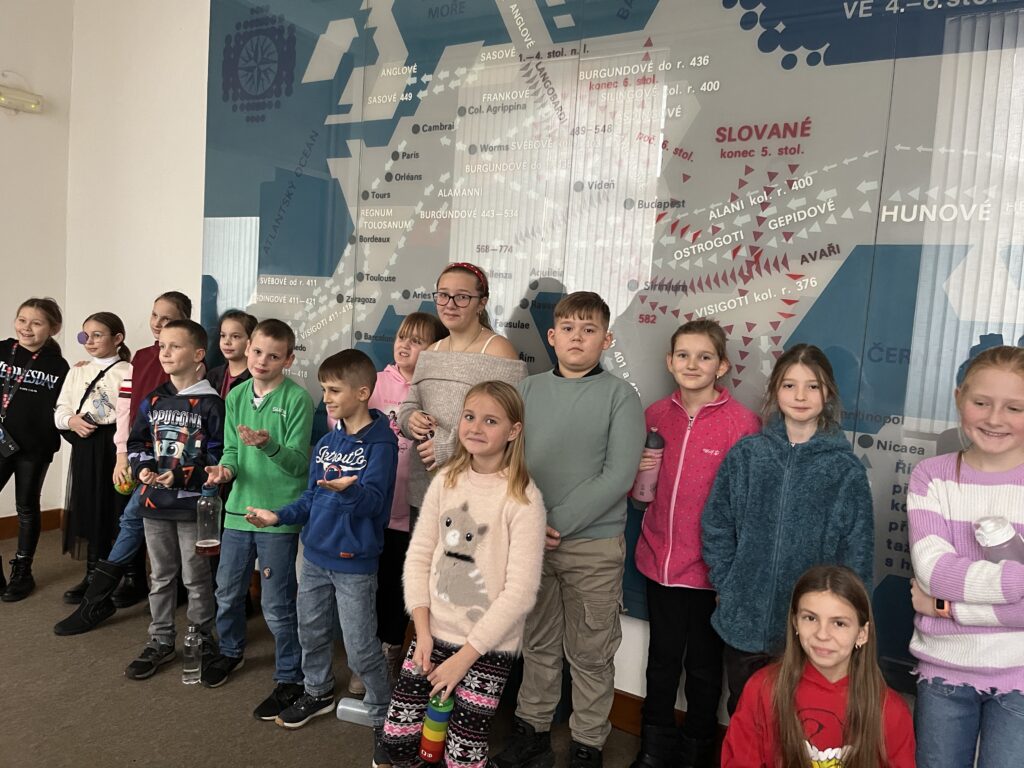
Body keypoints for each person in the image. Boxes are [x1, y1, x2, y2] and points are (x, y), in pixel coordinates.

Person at [494, 291, 646, 768]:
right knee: (538, 644)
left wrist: (551, 522)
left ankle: (588, 743)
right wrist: (528, 523)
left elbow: (618, 476)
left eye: (589, 329)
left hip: (592, 548)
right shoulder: (529, 391)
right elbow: (508, 460)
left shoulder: (621, 397)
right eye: (568, 329)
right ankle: (532, 732)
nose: (578, 337)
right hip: (533, 545)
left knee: (591, 652)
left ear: (606, 339)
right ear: (552, 336)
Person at [379, 381, 546, 768]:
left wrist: (464, 658)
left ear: (513, 431)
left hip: (486, 646)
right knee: (398, 742)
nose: (476, 427)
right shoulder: (446, 480)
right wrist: (421, 632)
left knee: (461, 756)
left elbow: (520, 593)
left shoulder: (524, 497)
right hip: (432, 635)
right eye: (470, 416)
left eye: (491, 421)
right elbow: (419, 556)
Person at [702, 344, 874, 715]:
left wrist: (840, 618)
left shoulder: (845, 471)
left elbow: (857, 553)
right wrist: (728, 584)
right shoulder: (748, 455)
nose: (800, 396)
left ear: (827, 394)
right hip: (745, 621)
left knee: (799, 721)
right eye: (789, 385)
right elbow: (717, 524)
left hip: (811, 632)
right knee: (745, 712)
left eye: (812, 386)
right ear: (775, 391)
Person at [630, 319, 760, 768]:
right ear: (669, 362)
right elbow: (638, 489)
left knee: (704, 669)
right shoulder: (655, 415)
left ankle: (698, 748)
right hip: (659, 564)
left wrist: (732, 572)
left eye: (704, 357)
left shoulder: (742, 424)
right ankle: (654, 746)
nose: (692, 364)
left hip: (711, 573)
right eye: (683, 355)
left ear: (721, 366)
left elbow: (748, 505)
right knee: (662, 661)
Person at [246, 348, 396, 733]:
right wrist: (278, 515)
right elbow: (311, 497)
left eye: (333, 390)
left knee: (360, 646)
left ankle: (385, 710)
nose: (325, 398)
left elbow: (375, 504)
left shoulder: (381, 445)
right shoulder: (328, 442)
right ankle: (318, 691)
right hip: (314, 557)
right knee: (310, 632)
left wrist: (350, 491)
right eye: (324, 389)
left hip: (354, 564)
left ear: (362, 393)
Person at [908, 345, 1024, 767]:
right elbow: (934, 572)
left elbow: (938, 591)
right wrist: (1018, 581)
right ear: (959, 398)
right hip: (944, 673)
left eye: (1014, 408)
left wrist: (945, 607)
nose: (995, 419)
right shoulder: (931, 477)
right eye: (981, 403)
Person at [54, 292, 195, 634]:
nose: (158, 324)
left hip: (174, 463)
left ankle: (127, 592)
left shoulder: (190, 370)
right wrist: (124, 454)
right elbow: (128, 411)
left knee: (146, 525)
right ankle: (98, 598)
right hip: (140, 455)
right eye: (154, 315)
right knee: (130, 521)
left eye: (167, 318)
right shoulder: (143, 358)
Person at [201, 319, 314, 721]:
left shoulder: (298, 400)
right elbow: (231, 451)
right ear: (247, 350)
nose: (263, 361)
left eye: (274, 356)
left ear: (289, 359)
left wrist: (269, 446)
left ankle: (289, 676)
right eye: (258, 352)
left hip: (277, 516)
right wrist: (224, 472)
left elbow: (299, 465)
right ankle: (231, 650)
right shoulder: (236, 395)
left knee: (277, 602)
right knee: (227, 591)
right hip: (237, 512)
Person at [336, 311, 447, 694]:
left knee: (396, 588)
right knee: (364, 587)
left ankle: (388, 651)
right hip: (370, 507)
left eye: (417, 341)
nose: (405, 345)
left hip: (410, 510)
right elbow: (342, 427)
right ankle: (363, 658)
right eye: (402, 337)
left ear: (435, 349)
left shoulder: (436, 391)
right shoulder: (375, 383)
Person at [721, 565, 915, 768]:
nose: (822, 634)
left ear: (862, 633)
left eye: (839, 623)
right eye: (810, 618)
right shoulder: (762, 688)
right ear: (795, 623)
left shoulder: (891, 710)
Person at [122, 319, 224, 679]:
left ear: (198, 354)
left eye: (174, 346)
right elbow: (137, 442)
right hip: (155, 505)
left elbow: (219, 453)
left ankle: (201, 636)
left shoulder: (212, 404)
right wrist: (144, 468)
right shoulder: (153, 399)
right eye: (162, 346)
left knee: (196, 578)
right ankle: (161, 639)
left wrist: (182, 475)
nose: (164, 353)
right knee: (161, 575)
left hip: (193, 506)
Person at [398, 262, 526, 520]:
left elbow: (509, 425)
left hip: (475, 493)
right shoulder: (430, 352)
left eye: (462, 297)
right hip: (426, 490)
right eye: (443, 295)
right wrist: (411, 420)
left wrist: (449, 447)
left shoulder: (499, 351)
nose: (450, 304)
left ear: (482, 303)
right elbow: (409, 407)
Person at [54, 312, 132, 600]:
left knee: (120, 507)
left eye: (98, 335)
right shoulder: (78, 371)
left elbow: (130, 413)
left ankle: (129, 575)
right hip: (86, 444)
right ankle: (93, 574)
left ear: (117, 338)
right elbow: (61, 408)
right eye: (86, 335)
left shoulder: (129, 371)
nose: (90, 341)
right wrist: (71, 420)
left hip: (117, 445)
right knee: (89, 506)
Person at [0, 298, 69, 601]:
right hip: (1, 441)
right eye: (22, 320)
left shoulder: (58, 365)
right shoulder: (3, 350)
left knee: (27, 507)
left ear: (53, 328)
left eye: (36, 323)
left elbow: (66, 404)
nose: (27, 328)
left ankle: (22, 570)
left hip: (35, 448)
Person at [206, 309, 256, 398]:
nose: (226, 342)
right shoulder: (213, 375)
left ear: (250, 341)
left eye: (235, 336)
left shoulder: (255, 378)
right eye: (223, 335)